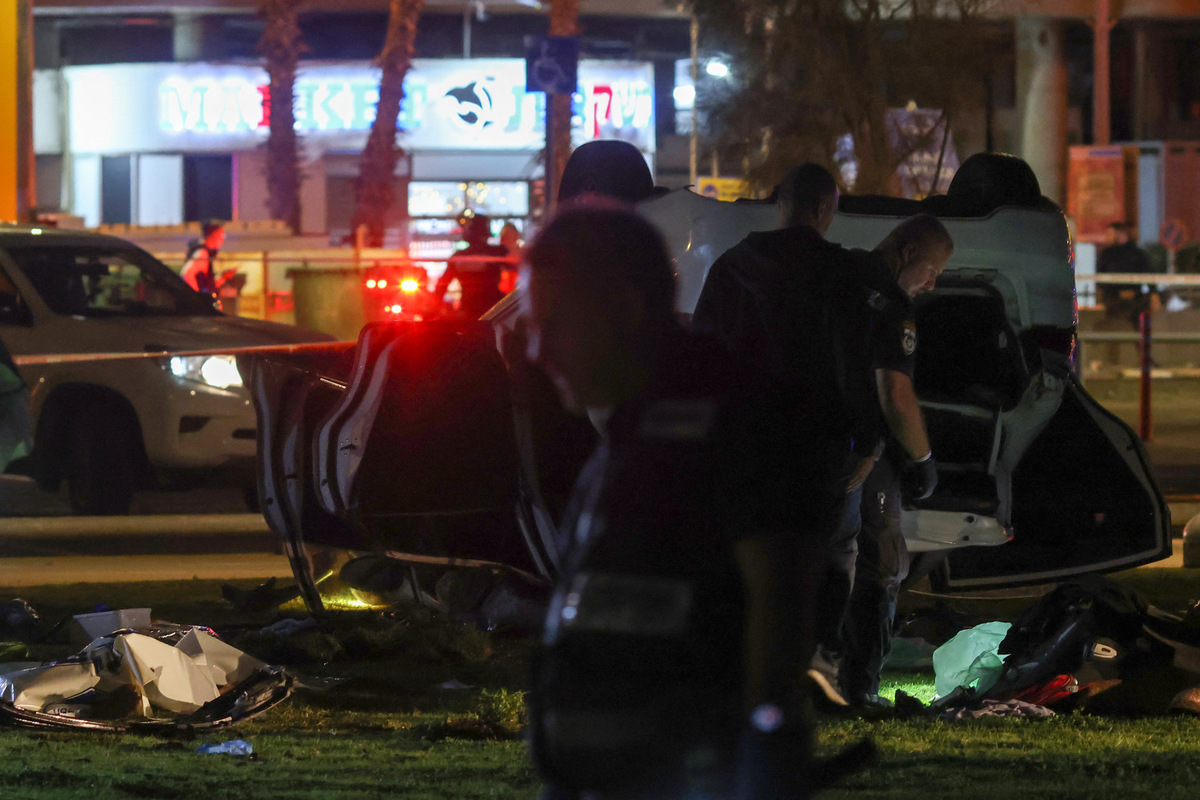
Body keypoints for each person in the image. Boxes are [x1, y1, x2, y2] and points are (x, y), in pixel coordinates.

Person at [519, 202, 841, 799]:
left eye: (553, 323)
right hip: (596, 775)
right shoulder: (627, 437)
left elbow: (781, 600)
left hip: (691, 771)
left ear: (623, 308)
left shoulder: (734, 416)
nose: (537, 351)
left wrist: (766, 741)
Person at [691, 163, 884, 707]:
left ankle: (746, 667)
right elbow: (857, 364)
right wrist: (869, 441)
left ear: (780, 203)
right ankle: (815, 663)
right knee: (828, 553)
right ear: (826, 209)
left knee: (747, 555)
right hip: (820, 447)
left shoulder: (733, 268)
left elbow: (704, 356)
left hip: (745, 444)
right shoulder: (841, 274)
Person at [838, 214, 953, 709]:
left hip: (804, 441)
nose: (933, 282)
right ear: (908, 254)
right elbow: (895, 392)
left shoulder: (838, 277)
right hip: (862, 449)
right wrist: (922, 457)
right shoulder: (892, 303)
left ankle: (809, 675)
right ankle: (859, 686)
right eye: (932, 269)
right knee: (882, 564)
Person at [434, 213, 511, 318]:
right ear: (486, 234)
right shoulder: (498, 252)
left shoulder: (458, 257)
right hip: (495, 310)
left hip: (468, 311)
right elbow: (519, 269)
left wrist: (435, 309)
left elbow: (441, 287)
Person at [1096, 222, 1156, 326]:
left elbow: (1148, 274)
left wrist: (1153, 293)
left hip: (1133, 300)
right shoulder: (1106, 254)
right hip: (1114, 300)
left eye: (1110, 234)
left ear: (1119, 233)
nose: (1107, 237)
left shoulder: (1137, 254)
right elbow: (1100, 279)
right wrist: (1118, 293)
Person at [180, 219, 226, 295]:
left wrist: (223, 278)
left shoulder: (207, 255)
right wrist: (197, 298)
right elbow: (187, 274)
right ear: (213, 235)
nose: (222, 239)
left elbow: (207, 284)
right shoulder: (203, 254)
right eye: (221, 235)